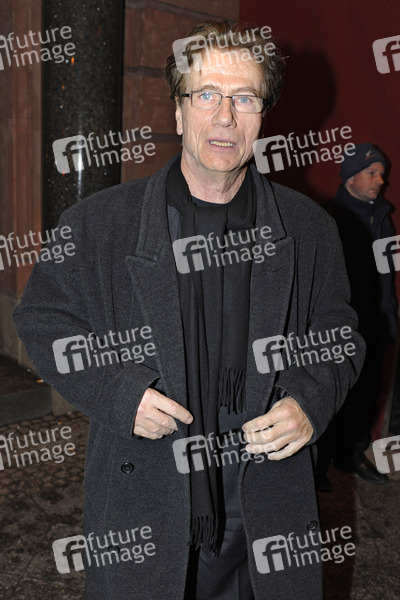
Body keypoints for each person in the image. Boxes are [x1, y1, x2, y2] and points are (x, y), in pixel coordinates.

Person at [13, 20, 365, 600]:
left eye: (244, 98)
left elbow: (339, 335)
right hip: (146, 501)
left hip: (264, 504)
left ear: (263, 116)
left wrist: (310, 400)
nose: (225, 117)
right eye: (206, 95)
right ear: (178, 112)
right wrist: (117, 393)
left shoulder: (309, 228)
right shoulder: (98, 223)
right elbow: (42, 320)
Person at [316, 143, 398, 489]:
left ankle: (350, 456)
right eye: (371, 172)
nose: (380, 180)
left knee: (366, 392)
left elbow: (386, 276)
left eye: (382, 174)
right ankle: (317, 468)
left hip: (374, 324)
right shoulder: (329, 217)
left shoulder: (382, 217)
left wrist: (388, 315)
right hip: (338, 327)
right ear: (350, 178)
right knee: (329, 392)